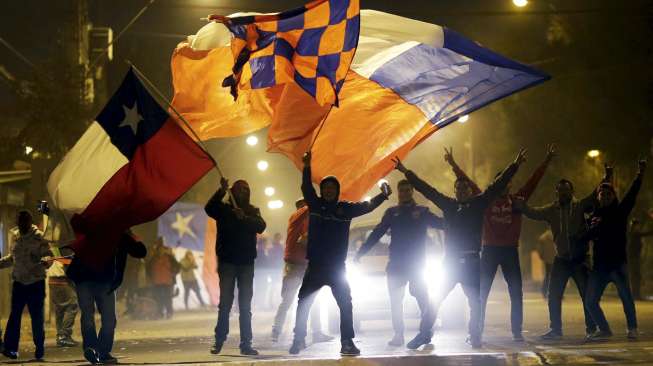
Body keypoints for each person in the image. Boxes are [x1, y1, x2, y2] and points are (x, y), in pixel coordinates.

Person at [392, 148, 526, 349]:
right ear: (455, 191)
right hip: (451, 263)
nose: (462, 191)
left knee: (475, 303)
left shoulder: (479, 204)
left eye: (465, 189)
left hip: (472, 262)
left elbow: (497, 186)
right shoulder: (448, 205)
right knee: (434, 301)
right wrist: (406, 171)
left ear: (470, 191)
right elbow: (426, 189)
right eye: (459, 189)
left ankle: (475, 336)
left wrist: (514, 165)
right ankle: (423, 335)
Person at [445, 145, 555, 341]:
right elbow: (467, 182)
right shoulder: (483, 200)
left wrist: (546, 161)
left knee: (516, 291)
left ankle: (517, 332)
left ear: (510, 185)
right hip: (488, 250)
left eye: (507, 183)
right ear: (496, 183)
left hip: (510, 251)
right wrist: (453, 164)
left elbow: (533, 181)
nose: (504, 186)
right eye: (500, 182)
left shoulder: (517, 200)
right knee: (481, 292)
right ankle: (476, 331)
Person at [289, 151, 391, 356]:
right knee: (303, 303)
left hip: (337, 268)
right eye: (325, 188)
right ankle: (298, 339)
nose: (328, 191)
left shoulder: (346, 209)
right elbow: (306, 187)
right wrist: (307, 165)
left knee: (346, 304)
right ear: (322, 190)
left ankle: (347, 342)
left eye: (332, 188)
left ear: (337, 191)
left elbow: (367, 207)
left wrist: (383, 195)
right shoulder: (315, 205)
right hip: (315, 266)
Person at [515, 164, 612, 340]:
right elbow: (533, 213)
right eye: (560, 191)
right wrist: (522, 207)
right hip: (561, 260)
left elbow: (595, 194)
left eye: (566, 190)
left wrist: (608, 176)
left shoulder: (580, 206)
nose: (563, 194)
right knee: (553, 295)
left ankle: (591, 329)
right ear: (556, 192)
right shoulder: (551, 210)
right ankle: (556, 330)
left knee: (586, 295)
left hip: (580, 259)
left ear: (571, 191)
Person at [354, 179, 444, 347]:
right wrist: (361, 252)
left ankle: (426, 331)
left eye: (408, 190)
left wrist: (457, 215)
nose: (405, 193)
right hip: (396, 264)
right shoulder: (391, 213)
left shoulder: (422, 212)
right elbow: (377, 233)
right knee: (396, 301)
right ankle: (398, 334)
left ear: (412, 192)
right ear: (398, 193)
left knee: (423, 299)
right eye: (401, 190)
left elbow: (443, 224)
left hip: (417, 265)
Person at [584, 159, 646, 341]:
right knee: (590, 301)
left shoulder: (620, 211)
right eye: (601, 194)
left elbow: (632, 194)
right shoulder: (594, 216)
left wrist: (640, 175)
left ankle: (632, 328)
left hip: (618, 265)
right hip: (600, 266)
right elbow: (585, 235)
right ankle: (604, 330)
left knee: (626, 298)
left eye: (608, 194)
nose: (604, 196)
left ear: (613, 196)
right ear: (598, 197)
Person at [205, 178, 266, 356]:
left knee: (245, 306)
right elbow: (209, 208)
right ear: (233, 191)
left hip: (246, 263)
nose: (243, 193)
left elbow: (261, 226)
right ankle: (219, 340)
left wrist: (244, 218)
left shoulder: (252, 210)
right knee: (225, 304)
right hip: (228, 262)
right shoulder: (223, 209)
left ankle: (246, 343)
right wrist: (221, 190)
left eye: (246, 190)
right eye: (239, 190)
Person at [67, 231, 147, 364]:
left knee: (88, 316)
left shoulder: (94, 227)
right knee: (108, 319)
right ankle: (101, 352)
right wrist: (133, 237)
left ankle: (92, 348)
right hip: (102, 279)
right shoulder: (118, 232)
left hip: (85, 277)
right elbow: (140, 252)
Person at [271, 199, 333, 344]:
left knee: (293, 300)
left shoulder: (296, 220)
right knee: (303, 299)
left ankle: (277, 330)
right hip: (299, 265)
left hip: (298, 265)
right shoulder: (300, 218)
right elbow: (304, 240)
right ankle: (313, 332)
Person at [0, 211, 52, 361]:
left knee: (37, 317)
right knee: (14, 316)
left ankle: (39, 347)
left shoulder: (39, 237)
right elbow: (13, 258)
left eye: (24, 221)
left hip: (36, 283)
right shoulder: (15, 236)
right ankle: (10, 348)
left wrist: (46, 261)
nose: (21, 224)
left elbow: (49, 255)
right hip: (19, 283)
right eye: (19, 221)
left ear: (30, 222)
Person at [47, 245, 79, 347]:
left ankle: (61, 337)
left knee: (60, 309)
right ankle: (64, 335)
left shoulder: (51, 245)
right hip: (61, 279)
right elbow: (65, 262)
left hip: (52, 280)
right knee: (72, 305)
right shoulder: (62, 245)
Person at [147, 239, 180, 319]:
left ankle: (169, 312)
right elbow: (148, 269)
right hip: (157, 282)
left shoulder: (170, 257)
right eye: (159, 249)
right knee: (158, 297)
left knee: (168, 297)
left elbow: (178, 266)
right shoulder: (153, 259)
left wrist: (173, 273)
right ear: (157, 250)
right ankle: (160, 313)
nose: (161, 251)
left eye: (162, 249)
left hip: (168, 281)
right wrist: (151, 277)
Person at [627, 218, 653, 300]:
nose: (638, 227)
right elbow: (648, 233)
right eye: (637, 225)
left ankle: (636, 294)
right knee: (635, 276)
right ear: (634, 226)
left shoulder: (633, 234)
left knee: (636, 276)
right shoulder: (634, 234)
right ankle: (636, 295)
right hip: (633, 259)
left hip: (634, 258)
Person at [537, 230, 556, 299]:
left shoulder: (543, 237)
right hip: (556, 258)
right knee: (555, 277)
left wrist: (542, 256)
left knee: (548, 276)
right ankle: (556, 293)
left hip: (547, 259)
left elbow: (540, 249)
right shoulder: (557, 234)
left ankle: (544, 292)